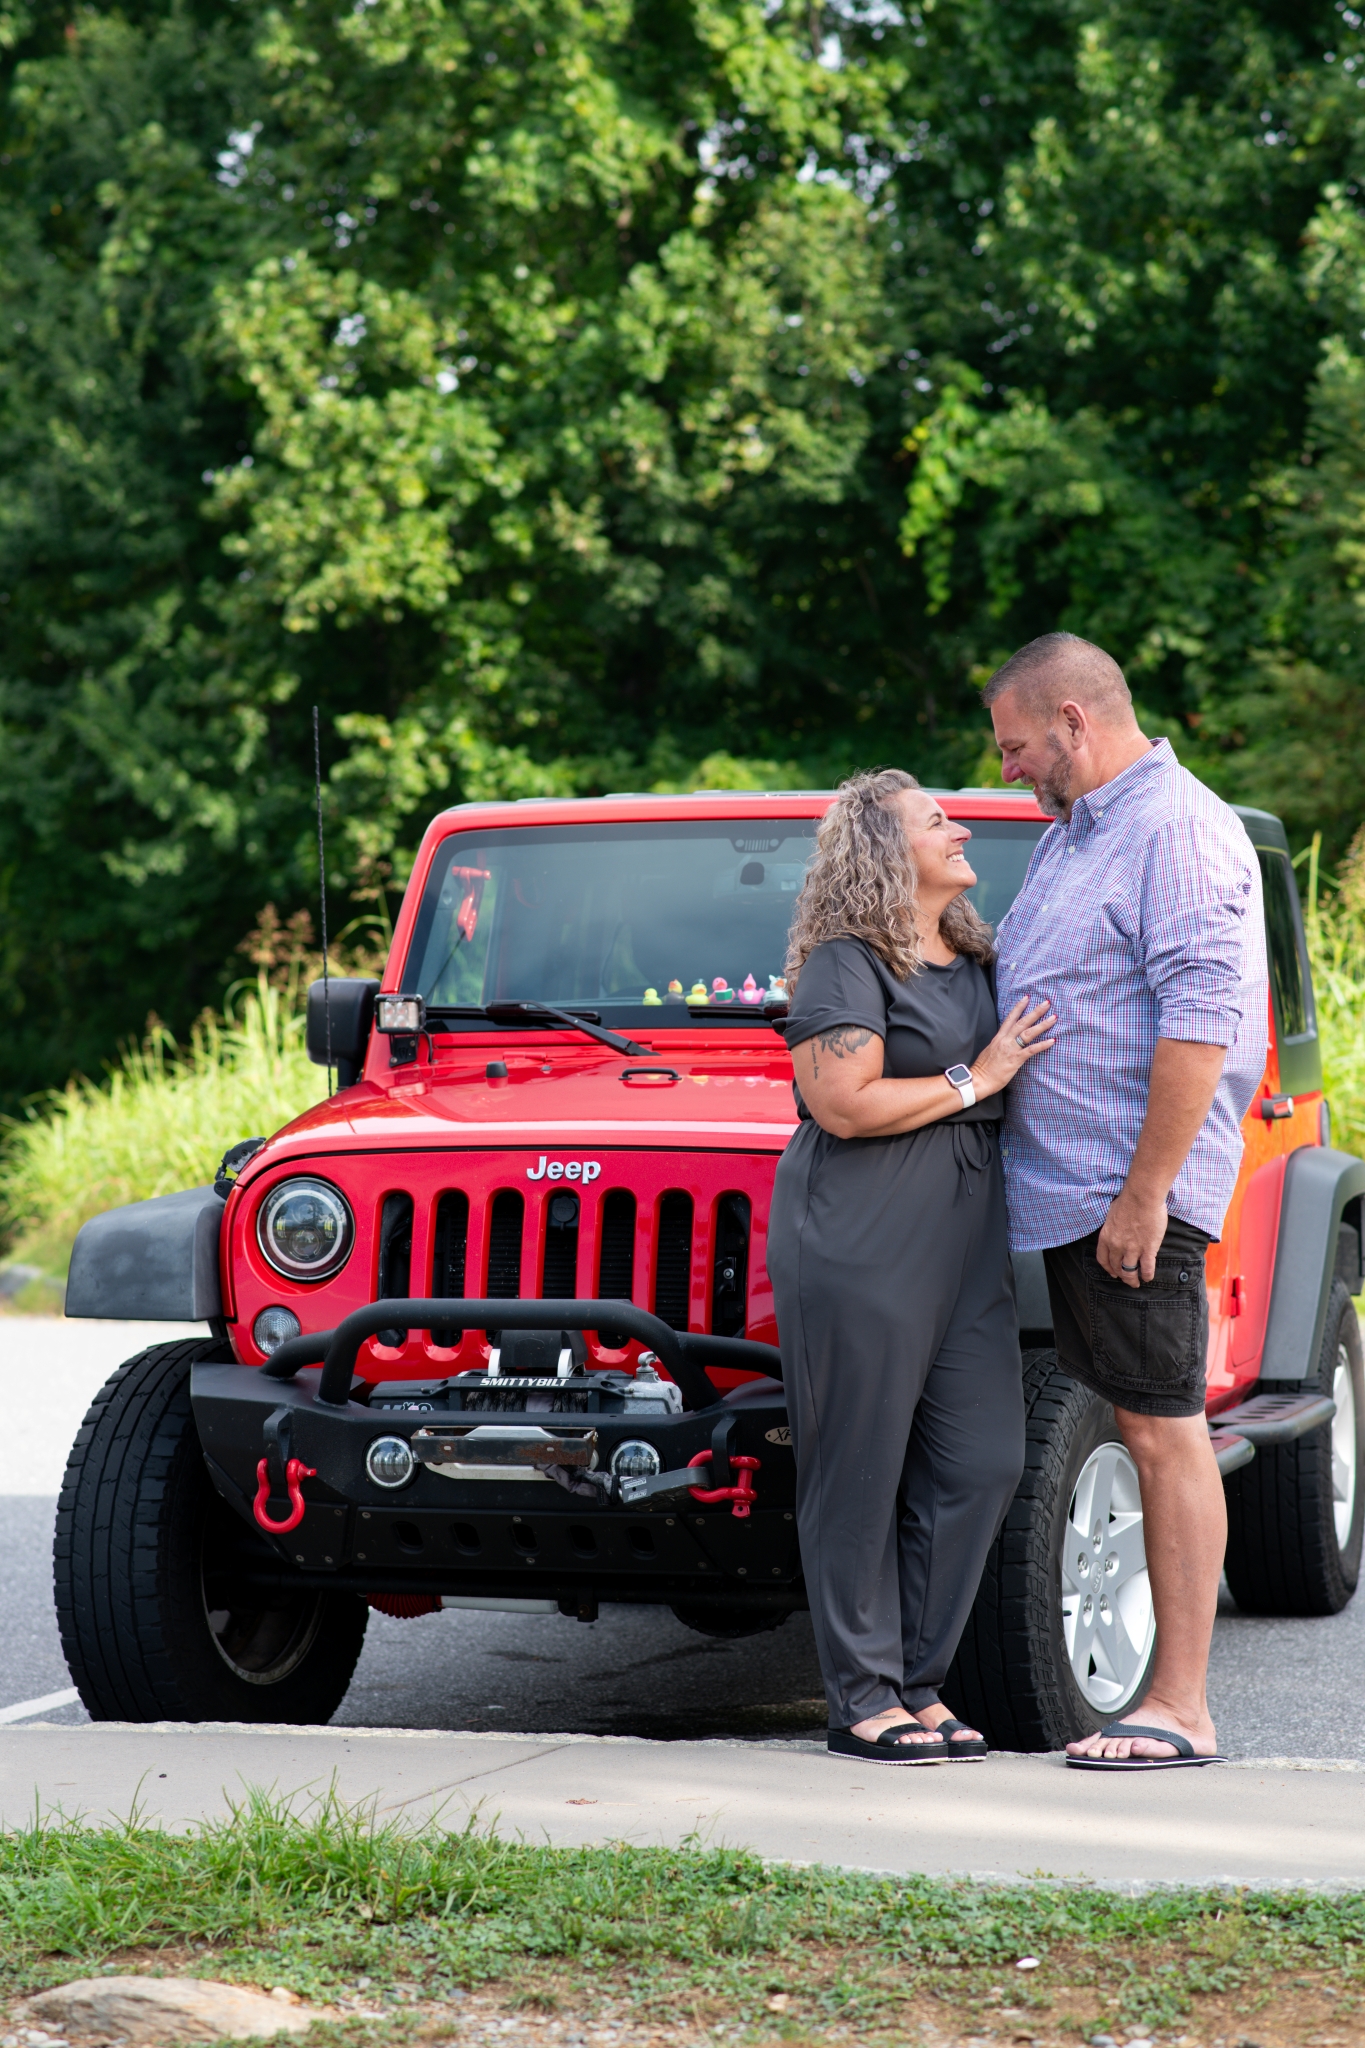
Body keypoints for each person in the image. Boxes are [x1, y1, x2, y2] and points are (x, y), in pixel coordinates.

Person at [985, 632, 1268, 1770]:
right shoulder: (1081, 835)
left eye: (1014, 746)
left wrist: (1146, 1193)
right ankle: (1170, 1700)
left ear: (1073, 721)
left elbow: (1204, 1020)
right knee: (1145, 1425)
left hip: (1124, 1196)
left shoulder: (1177, 829)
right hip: (1068, 1194)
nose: (1007, 769)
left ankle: (1182, 1705)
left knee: (1162, 1430)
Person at [766, 769, 1055, 1764]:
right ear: (886, 851)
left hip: (969, 1232)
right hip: (862, 1225)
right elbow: (842, 1101)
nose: (963, 826)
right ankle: (862, 1694)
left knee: (981, 1461)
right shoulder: (848, 961)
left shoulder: (974, 953)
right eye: (940, 820)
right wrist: (981, 1074)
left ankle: (915, 1678)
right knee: (859, 1467)